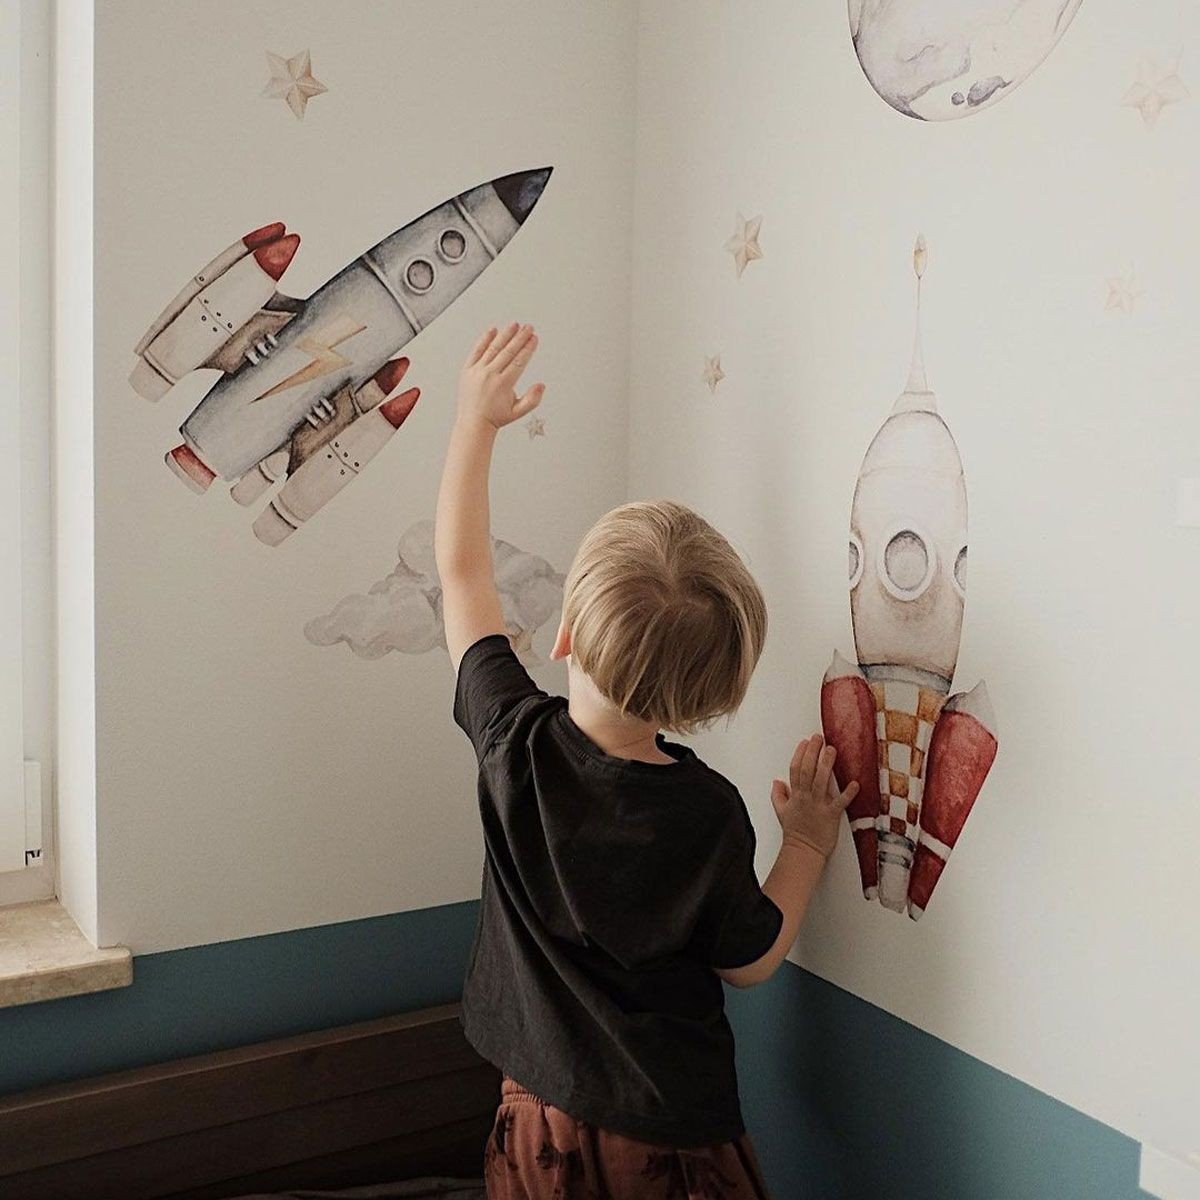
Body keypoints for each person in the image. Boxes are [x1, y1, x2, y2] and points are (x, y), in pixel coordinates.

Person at [434, 323, 859, 1200]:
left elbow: (463, 575)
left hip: (534, 1124)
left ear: (558, 638)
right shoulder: (706, 812)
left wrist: (475, 423)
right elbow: (748, 961)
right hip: (668, 1139)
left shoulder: (510, 739)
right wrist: (809, 845)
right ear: (704, 701)